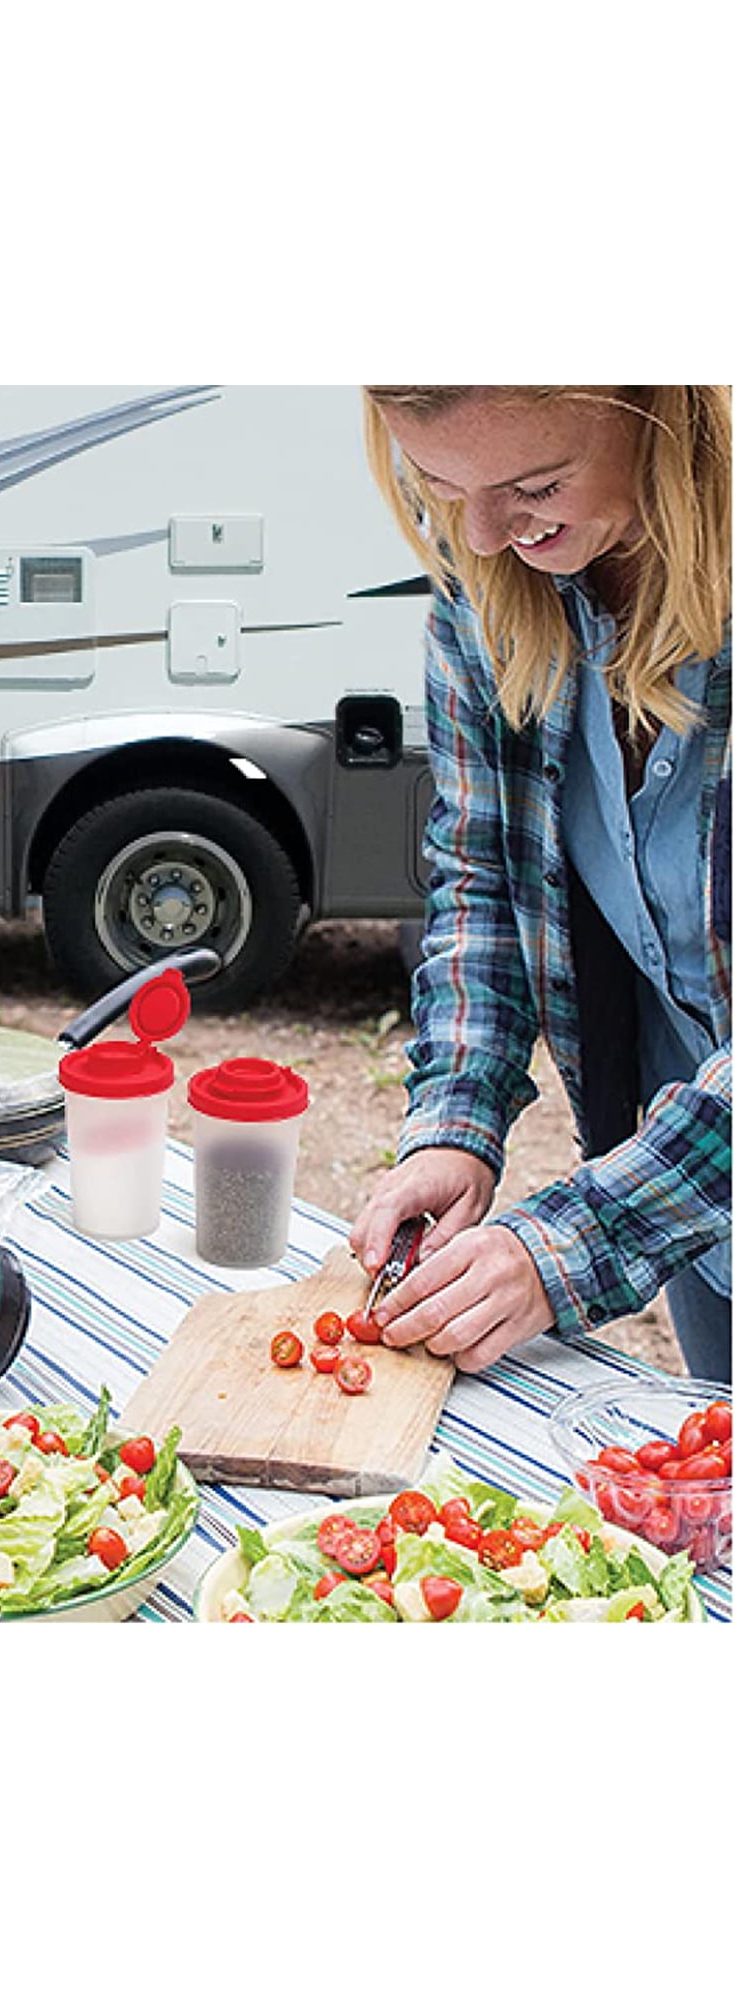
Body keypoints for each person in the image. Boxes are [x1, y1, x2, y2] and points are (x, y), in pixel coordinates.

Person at [350, 385, 730, 1383]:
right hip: (697, 1194)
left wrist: (556, 1247)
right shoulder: (485, 576)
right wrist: (452, 1124)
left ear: (663, 406)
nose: (478, 532)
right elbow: (480, 872)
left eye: (534, 484)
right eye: (436, 483)